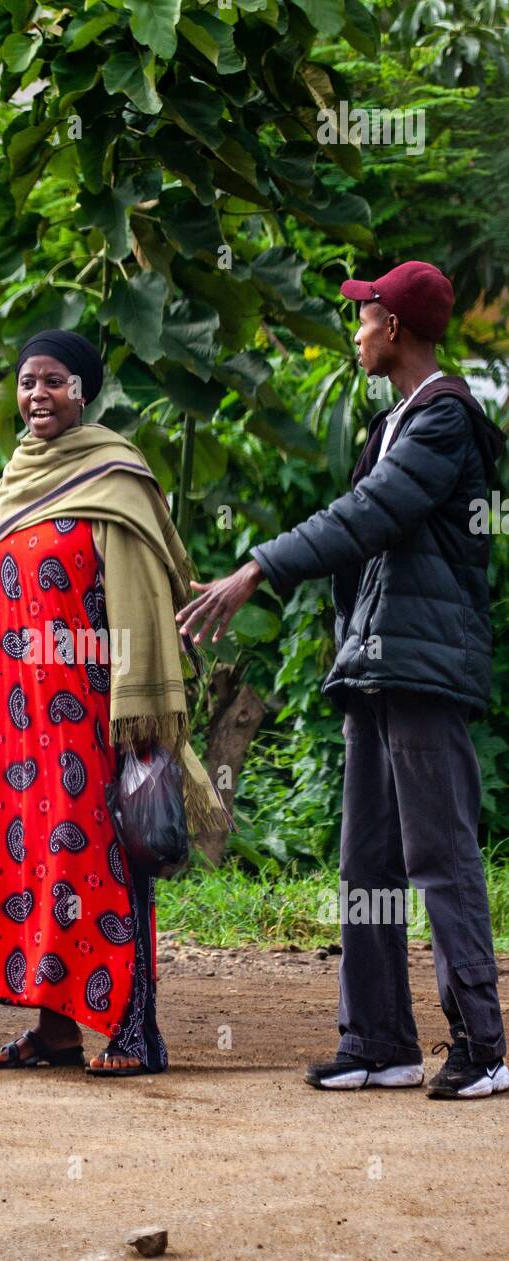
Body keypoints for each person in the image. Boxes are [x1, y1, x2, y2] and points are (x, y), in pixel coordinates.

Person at [176, 261, 509, 1100]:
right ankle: (379, 1042)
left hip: (425, 668)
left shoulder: (445, 421)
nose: (355, 330)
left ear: (394, 328)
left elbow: (368, 517)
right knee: (367, 865)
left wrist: (255, 569)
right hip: (375, 666)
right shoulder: (396, 417)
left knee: (441, 857)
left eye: (363, 318)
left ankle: (483, 1045)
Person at [0, 329, 223, 1076]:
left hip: (91, 715)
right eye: (26, 382)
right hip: (18, 722)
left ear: (84, 391)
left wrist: (138, 721)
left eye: (54, 381)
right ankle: (57, 1032)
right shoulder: (14, 482)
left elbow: (140, 605)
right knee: (42, 866)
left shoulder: (115, 480)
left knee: (101, 864)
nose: (37, 395)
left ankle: (135, 1031)